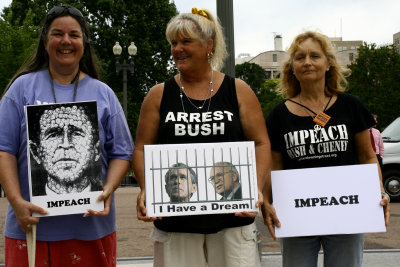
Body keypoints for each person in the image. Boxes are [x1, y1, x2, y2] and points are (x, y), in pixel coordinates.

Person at [132, 7, 271, 267]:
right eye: (174, 43)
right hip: (175, 221)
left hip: (233, 218)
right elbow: (141, 148)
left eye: (186, 41)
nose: (177, 49)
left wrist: (256, 188)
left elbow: (261, 143)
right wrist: (144, 188)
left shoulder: (238, 90)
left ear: (209, 45)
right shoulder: (158, 94)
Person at [0, 4, 133, 266]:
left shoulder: (103, 93)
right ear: (45, 40)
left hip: (93, 229)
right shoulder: (20, 89)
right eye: (57, 33)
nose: (66, 41)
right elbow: (4, 149)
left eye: (74, 34)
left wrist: (106, 190)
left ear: (84, 42)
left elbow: (122, 152)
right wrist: (16, 201)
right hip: (31, 229)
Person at [261, 31, 390, 267]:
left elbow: (367, 156)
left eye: (315, 56)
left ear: (329, 63)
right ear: (292, 67)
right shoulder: (278, 115)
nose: (307, 62)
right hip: (296, 214)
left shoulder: (351, 106)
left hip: (347, 212)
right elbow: (275, 166)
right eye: (300, 57)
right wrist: (267, 201)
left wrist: (380, 190)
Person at [28, 103, 103, 196]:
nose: (66, 144)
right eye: (53, 135)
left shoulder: (101, 195)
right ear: (36, 152)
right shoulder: (29, 198)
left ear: (96, 150)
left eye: (76, 133)